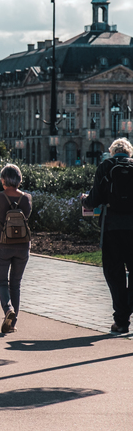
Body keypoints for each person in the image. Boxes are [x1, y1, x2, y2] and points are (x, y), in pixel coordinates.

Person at [82, 138, 133, 334]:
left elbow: (95, 199)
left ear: (112, 152)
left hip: (111, 227)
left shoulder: (105, 166)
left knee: (114, 274)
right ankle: (128, 306)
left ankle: (121, 320)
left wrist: (85, 200)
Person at [0, 164, 31, 334]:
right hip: (22, 246)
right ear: (19, 179)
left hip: (1, 245)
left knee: (1, 282)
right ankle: (12, 324)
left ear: (3, 180)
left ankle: (8, 310)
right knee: (16, 284)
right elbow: (26, 217)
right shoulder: (27, 198)